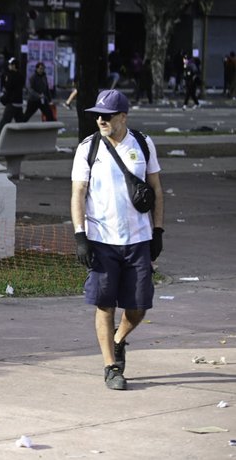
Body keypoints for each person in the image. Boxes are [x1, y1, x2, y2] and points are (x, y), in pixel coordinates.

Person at [70, 90, 164, 390]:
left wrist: (158, 231)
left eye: (107, 115)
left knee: (138, 307)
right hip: (100, 239)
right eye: (97, 115)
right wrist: (80, 235)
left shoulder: (143, 144)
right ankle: (111, 367)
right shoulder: (88, 148)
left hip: (138, 240)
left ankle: (119, 339)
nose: (100, 120)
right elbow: (78, 193)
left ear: (123, 116)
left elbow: (156, 190)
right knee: (105, 304)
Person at [0, 57, 25, 137]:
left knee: (5, 120)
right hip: (19, 102)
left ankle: (0, 135)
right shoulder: (21, 76)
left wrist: (3, 99)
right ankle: (23, 135)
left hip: (12, 103)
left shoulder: (10, 76)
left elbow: (8, 89)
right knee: (20, 121)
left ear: (14, 65)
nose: (9, 66)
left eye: (10, 64)